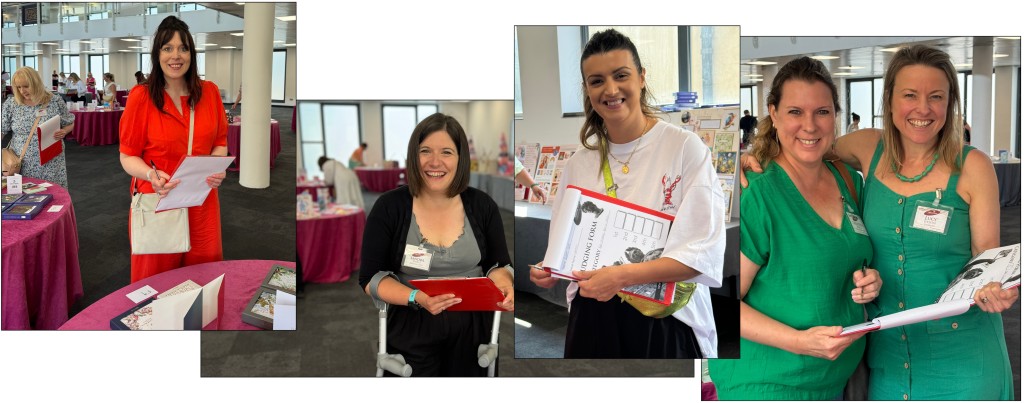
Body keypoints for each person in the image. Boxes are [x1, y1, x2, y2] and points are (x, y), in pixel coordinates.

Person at [741, 45, 1016, 400]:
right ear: (889, 101)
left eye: (936, 96)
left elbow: (987, 259)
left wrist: (997, 289)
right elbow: (807, 144)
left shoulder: (973, 166)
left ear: (950, 103)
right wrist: (749, 158)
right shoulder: (869, 147)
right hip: (886, 355)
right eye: (910, 95)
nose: (923, 108)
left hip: (959, 353)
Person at [528, 29, 725, 359]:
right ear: (586, 89)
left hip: (664, 320)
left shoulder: (683, 148)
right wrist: (551, 268)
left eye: (621, 76)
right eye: (597, 81)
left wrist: (619, 277)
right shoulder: (579, 163)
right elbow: (570, 247)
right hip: (593, 317)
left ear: (641, 78)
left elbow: (699, 255)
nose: (611, 89)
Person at [708, 57, 881, 399]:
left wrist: (869, 281)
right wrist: (800, 342)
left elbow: (841, 259)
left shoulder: (848, 182)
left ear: (835, 115)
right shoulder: (759, 193)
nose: (810, 126)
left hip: (831, 382)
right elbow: (716, 309)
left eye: (822, 112)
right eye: (795, 112)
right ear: (773, 114)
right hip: (766, 382)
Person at [357, 112, 514, 376]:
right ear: (413, 156)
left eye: (447, 152)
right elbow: (370, 278)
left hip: (473, 325)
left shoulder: (482, 205)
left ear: (461, 158)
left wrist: (505, 283)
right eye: (425, 151)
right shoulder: (389, 207)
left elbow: (497, 264)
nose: (435, 162)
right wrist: (416, 298)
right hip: (412, 321)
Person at [118, 15, 229, 283]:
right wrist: (150, 175)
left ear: (192, 53)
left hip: (201, 199)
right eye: (167, 48)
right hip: (158, 198)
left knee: (202, 280)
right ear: (157, 54)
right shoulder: (141, 97)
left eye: (183, 48)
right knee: (155, 283)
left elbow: (220, 142)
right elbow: (127, 155)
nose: (175, 56)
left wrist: (216, 167)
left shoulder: (209, 92)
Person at [1, 67, 75, 187]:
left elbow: (70, 122)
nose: (22, 91)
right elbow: (2, 130)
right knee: (25, 197)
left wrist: (64, 131)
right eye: (18, 87)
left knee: (54, 194)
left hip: (51, 159)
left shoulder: (54, 101)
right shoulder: (12, 104)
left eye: (26, 86)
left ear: (36, 83)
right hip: (22, 161)